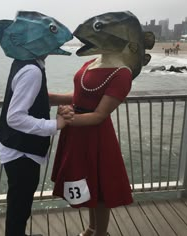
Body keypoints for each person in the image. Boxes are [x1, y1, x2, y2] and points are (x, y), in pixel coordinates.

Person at [50, 11, 155, 236]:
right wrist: (52, 97)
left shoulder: (122, 74)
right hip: (77, 131)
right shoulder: (92, 61)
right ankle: (91, 227)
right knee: (88, 184)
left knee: (100, 190)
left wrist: (68, 119)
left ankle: (101, 233)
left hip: (96, 135)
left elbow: (99, 115)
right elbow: (79, 95)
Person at [0, 11, 73, 236]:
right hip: (21, 152)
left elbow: (37, 96)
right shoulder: (32, 71)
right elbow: (15, 117)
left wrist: (71, 98)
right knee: (20, 204)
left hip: (15, 147)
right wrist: (55, 125)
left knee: (19, 202)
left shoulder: (25, 62)